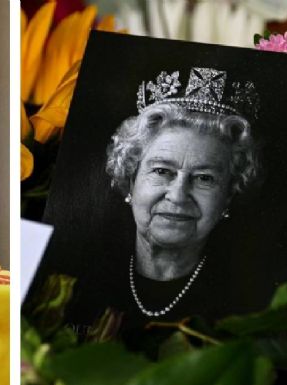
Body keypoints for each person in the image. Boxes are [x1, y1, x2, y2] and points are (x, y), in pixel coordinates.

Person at [105, 100, 260, 317]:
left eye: (204, 178)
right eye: (161, 171)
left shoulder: (250, 304)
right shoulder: (80, 281)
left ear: (228, 196)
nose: (177, 196)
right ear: (131, 180)